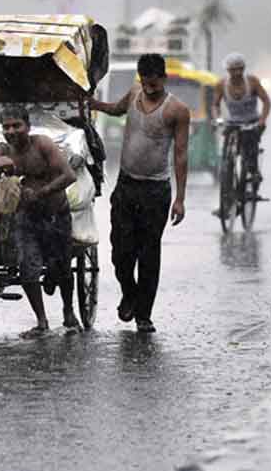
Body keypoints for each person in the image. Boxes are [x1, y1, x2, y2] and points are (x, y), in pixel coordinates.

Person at [88, 53, 190, 333]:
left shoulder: (177, 110)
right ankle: (129, 293)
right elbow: (117, 109)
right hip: (126, 185)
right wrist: (94, 104)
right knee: (121, 252)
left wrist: (180, 199)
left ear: (164, 79)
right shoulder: (134, 92)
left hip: (156, 190)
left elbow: (181, 155)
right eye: (146, 83)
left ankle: (143, 315)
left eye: (154, 84)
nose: (149, 89)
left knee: (148, 254)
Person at [0, 105, 77, 339]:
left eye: (17, 125)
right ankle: (42, 321)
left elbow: (69, 175)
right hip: (25, 218)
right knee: (27, 268)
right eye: (6, 127)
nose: (12, 131)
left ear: (28, 126)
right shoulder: (1, 150)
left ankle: (69, 310)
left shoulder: (43, 145)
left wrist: (42, 192)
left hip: (56, 215)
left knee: (62, 268)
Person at [211, 53, 271, 182]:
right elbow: (215, 105)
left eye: (240, 69)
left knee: (250, 144)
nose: (237, 73)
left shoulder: (252, 81)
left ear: (244, 68)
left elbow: (266, 101)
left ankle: (253, 170)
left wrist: (262, 120)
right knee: (227, 143)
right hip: (233, 122)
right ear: (228, 70)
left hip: (252, 121)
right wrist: (218, 119)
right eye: (233, 70)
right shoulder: (221, 84)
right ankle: (227, 167)